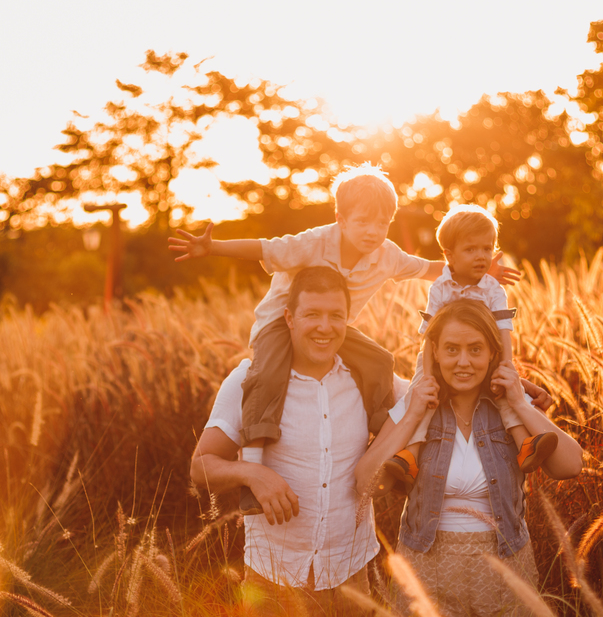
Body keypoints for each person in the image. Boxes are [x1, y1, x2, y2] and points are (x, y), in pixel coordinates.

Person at [169, 164, 520, 513]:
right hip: (280, 325)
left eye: (382, 223)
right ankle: (257, 463)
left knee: (380, 360)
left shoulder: (386, 256)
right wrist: (212, 247)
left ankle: (386, 442)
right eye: (363, 221)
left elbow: (429, 268)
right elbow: (265, 248)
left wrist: (475, 268)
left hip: (337, 330)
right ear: (340, 217)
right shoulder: (314, 243)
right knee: (269, 375)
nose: (373, 231)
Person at [355, 299, 583, 617]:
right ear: (434, 353)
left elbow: (571, 465)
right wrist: (413, 413)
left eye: (475, 350)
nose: (463, 362)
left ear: (493, 353)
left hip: (505, 568)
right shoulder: (416, 406)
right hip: (429, 569)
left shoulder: (509, 409)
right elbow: (365, 480)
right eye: (452, 349)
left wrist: (521, 402)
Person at [190, 266, 383, 617]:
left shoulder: (368, 378)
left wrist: (519, 393)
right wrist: (253, 473)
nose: (325, 327)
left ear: (348, 319)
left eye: (336, 316)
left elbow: (441, 389)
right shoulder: (250, 379)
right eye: (312, 314)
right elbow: (200, 466)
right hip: (274, 578)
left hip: (350, 574)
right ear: (289, 318)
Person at [376, 204, 557, 497]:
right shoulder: (440, 287)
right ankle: (410, 456)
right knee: (421, 400)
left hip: (486, 356)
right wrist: (427, 374)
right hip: (438, 356)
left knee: (507, 396)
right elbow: (429, 334)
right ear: (449, 255)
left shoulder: (493, 289)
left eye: (487, 249)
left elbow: (503, 329)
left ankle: (525, 445)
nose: (481, 256)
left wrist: (507, 365)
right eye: (471, 249)